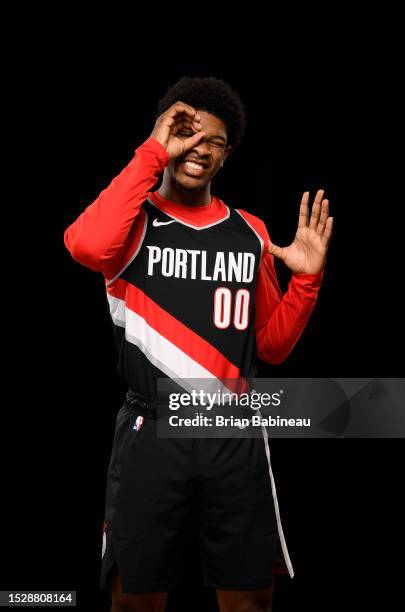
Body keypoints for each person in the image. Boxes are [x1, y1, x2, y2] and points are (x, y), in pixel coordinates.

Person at [64, 76, 333, 612]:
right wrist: (153, 149)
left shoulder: (249, 233)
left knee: (251, 600)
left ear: (226, 154)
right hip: (151, 430)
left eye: (213, 141)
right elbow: (85, 245)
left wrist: (306, 281)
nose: (198, 149)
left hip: (232, 431)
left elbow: (271, 348)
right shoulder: (131, 224)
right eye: (186, 134)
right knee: (136, 600)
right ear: (166, 137)